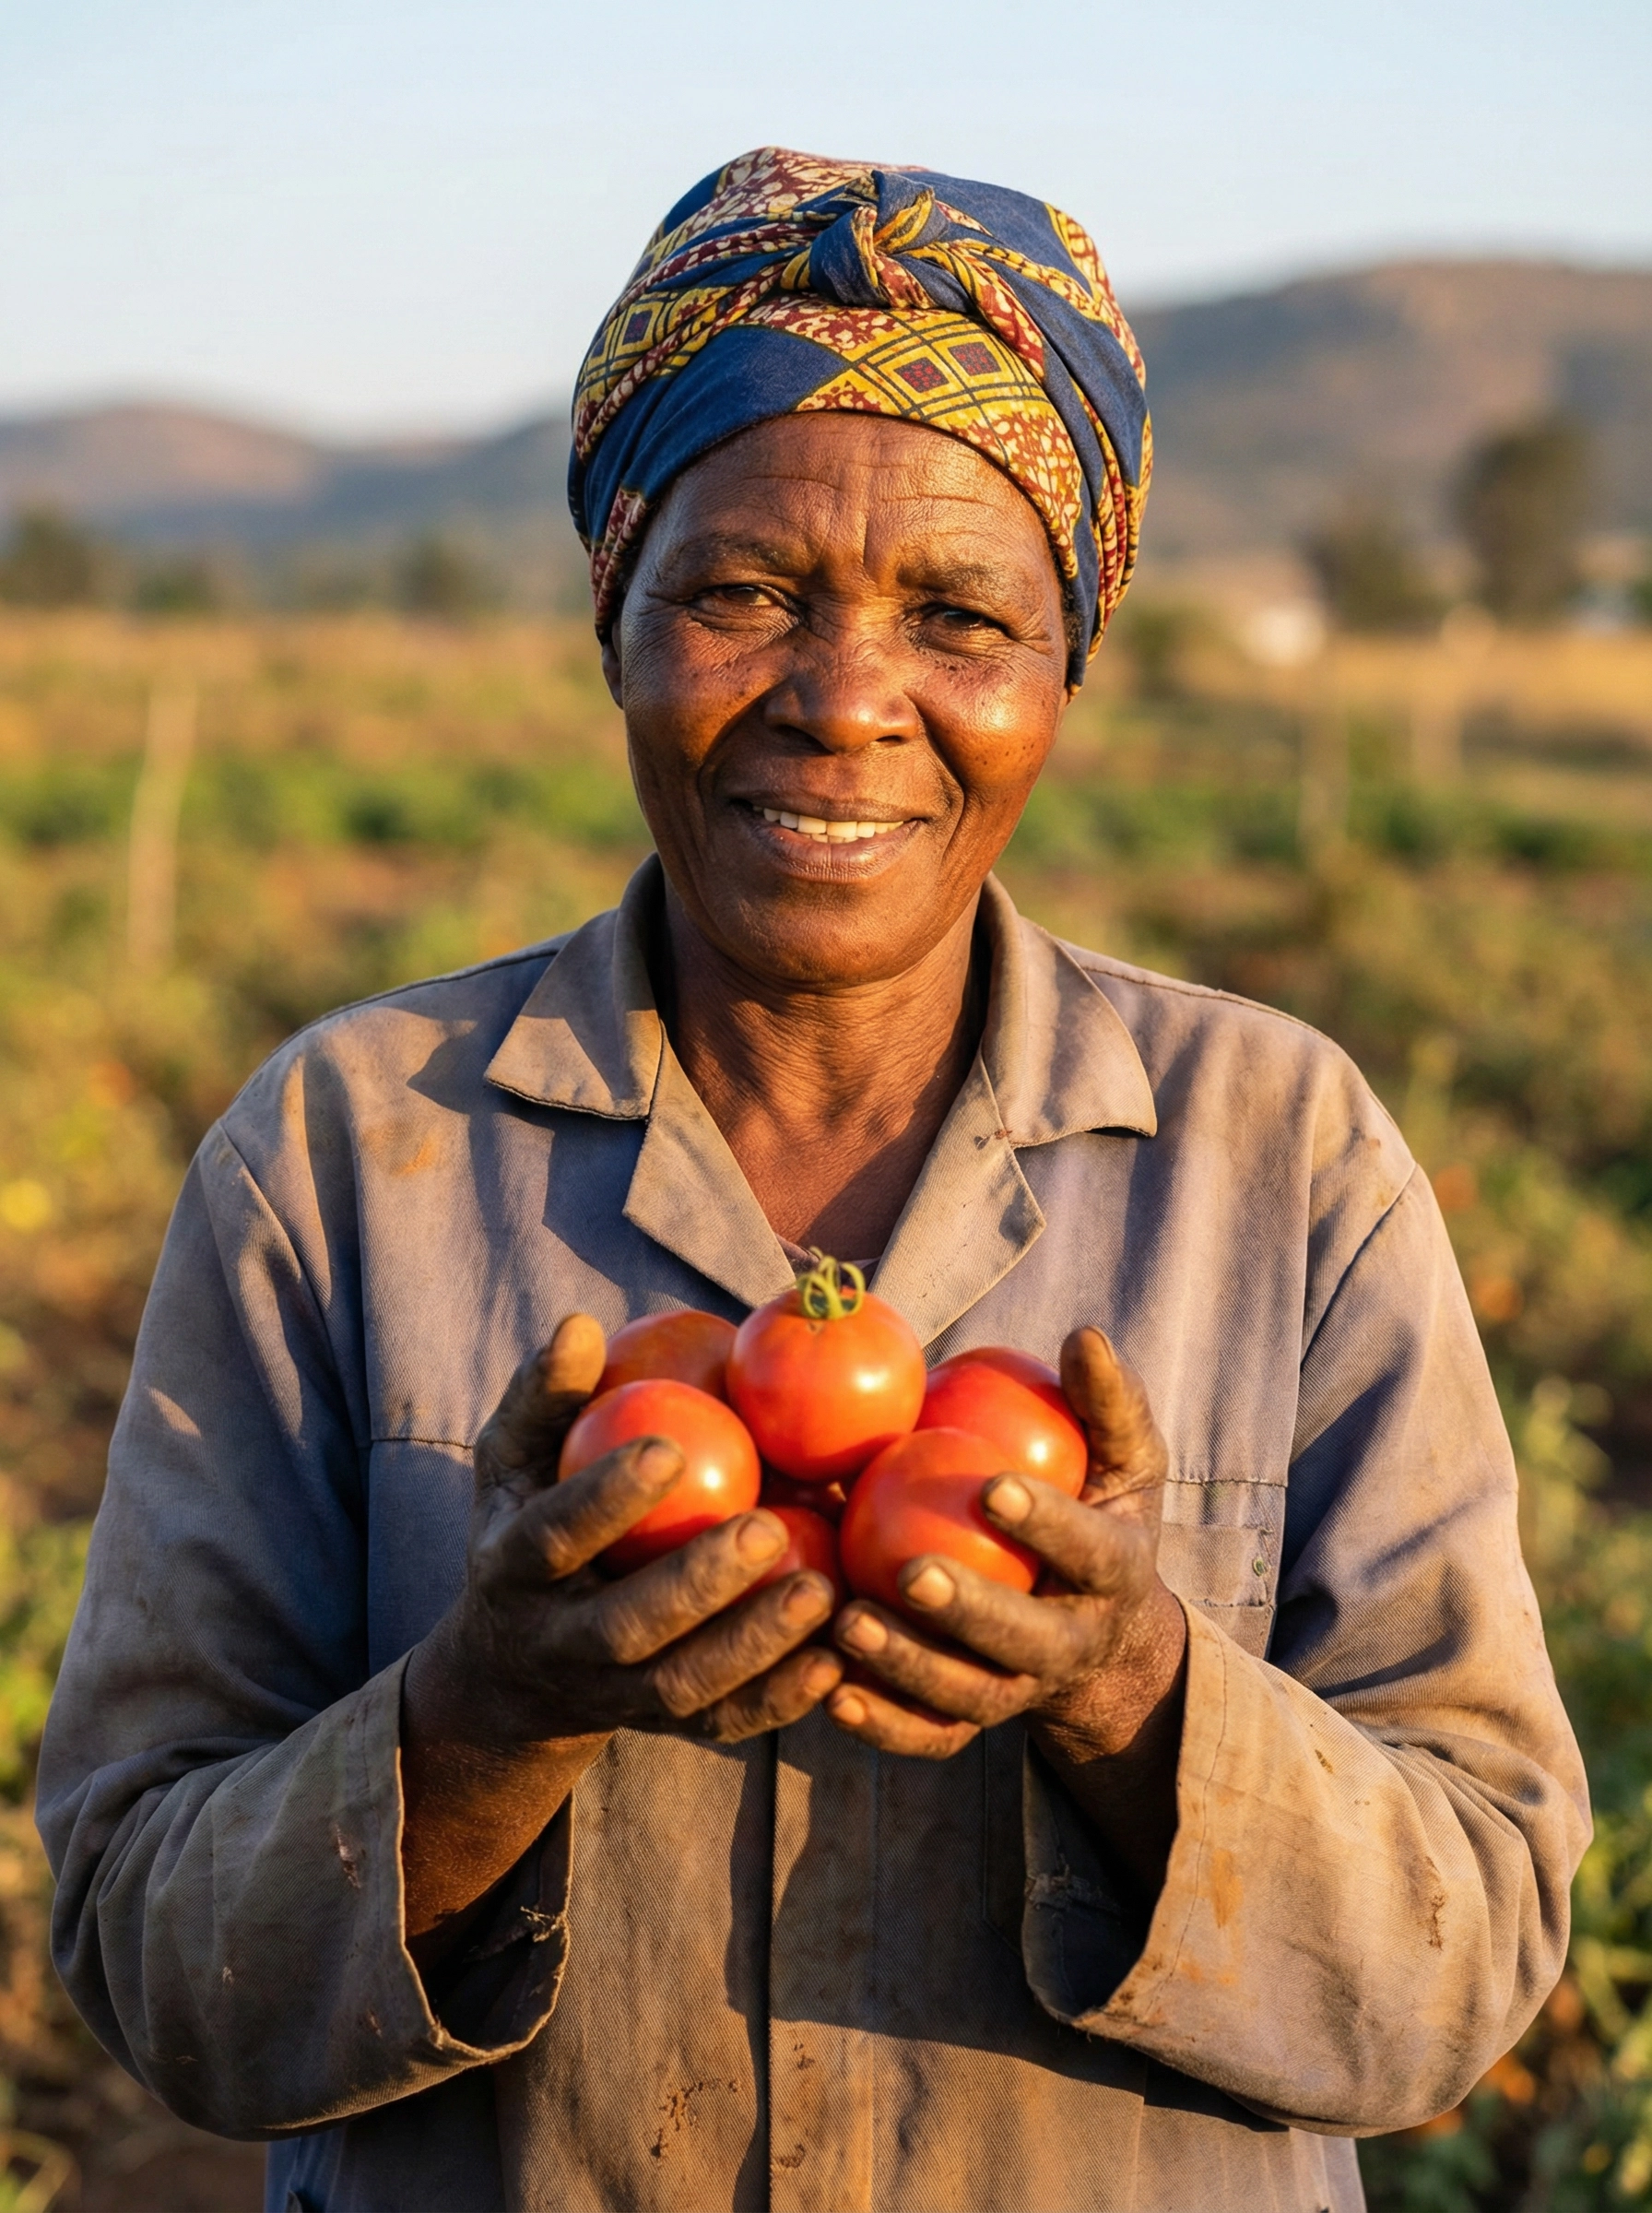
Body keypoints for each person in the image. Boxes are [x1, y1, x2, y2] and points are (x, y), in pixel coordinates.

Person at [40, 148, 1587, 2213]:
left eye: (959, 616)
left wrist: (1131, 1696)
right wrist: (484, 1716)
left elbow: (1463, 1961)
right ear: (617, 622)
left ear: (1062, 674)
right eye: (741, 594)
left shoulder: (1279, 1158)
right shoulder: (346, 1153)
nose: (846, 702)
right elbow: (154, 1968)